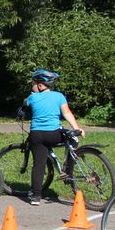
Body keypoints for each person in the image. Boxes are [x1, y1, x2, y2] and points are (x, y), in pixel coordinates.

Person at [23, 69, 85, 206]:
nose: (32, 86)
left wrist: (30, 97)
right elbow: (67, 113)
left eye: (33, 84)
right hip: (54, 134)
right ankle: (68, 168)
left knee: (38, 165)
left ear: (40, 85)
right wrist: (77, 128)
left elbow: (25, 103)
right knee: (72, 138)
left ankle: (36, 196)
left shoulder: (33, 98)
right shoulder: (59, 96)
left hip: (37, 135)